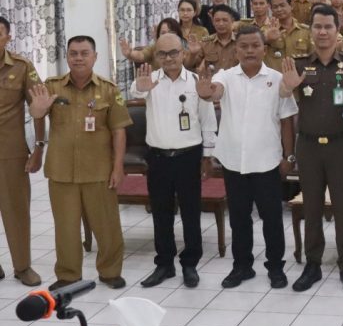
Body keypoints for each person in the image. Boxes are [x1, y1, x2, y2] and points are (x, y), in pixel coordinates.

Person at [196, 25, 298, 289]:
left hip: (267, 161)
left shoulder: (277, 79)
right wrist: (206, 91)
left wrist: (289, 157)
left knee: (272, 218)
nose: (250, 50)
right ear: (236, 49)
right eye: (244, 46)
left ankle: (275, 267)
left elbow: (287, 121)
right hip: (234, 162)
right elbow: (214, 92)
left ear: (264, 49)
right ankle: (242, 266)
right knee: (239, 218)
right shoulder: (226, 76)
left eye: (255, 45)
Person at [29, 36, 131, 290]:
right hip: (62, 170)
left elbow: (119, 130)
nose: (78, 58)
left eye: (84, 53)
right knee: (65, 227)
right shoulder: (52, 86)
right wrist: (38, 111)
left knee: (107, 226)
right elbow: (37, 115)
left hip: (99, 170)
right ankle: (68, 274)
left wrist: (118, 167)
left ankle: (109, 271)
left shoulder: (108, 89)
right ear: (67, 57)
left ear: (94, 57)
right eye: (73, 53)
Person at [286, 5, 343, 293]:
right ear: (311, 31)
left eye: (327, 27)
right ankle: (313, 264)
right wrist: (288, 87)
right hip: (308, 145)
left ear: (337, 30)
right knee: (312, 206)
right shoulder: (297, 65)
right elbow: (283, 98)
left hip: (341, 145)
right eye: (317, 26)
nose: (322, 32)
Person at [131, 34, 217, 289]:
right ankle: (164, 264)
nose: (168, 58)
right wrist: (140, 88)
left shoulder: (195, 82)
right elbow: (135, 91)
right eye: (162, 54)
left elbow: (208, 119)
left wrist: (208, 156)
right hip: (158, 157)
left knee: (191, 213)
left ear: (183, 53)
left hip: (188, 156)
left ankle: (190, 264)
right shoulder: (150, 81)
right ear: (155, 56)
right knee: (161, 213)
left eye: (173, 53)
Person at [0, 17, 43, 286]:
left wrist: (39, 147)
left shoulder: (22, 66)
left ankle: (22, 266)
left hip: (10, 151)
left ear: (8, 36)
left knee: (16, 211)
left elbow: (38, 106)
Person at [265, 0, 312, 72]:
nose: (279, 9)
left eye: (282, 5)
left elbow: (313, 59)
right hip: (275, 82)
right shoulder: (265, 31)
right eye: (275, 7)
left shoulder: (306, 32)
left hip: (300, 81)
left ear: (291, 5)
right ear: (271, 9)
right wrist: (266, 39)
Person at [119, 17, 184, 70]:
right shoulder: (153, 48)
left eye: (171, 32)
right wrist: (130, 54)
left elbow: (188, 62)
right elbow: (140, 55)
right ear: (158, 35)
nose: (166, 36)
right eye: (163, 33)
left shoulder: (183, 48)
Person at [191, 5, 240, 73]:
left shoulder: (241, 41)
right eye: (217, 20)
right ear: (213, 22)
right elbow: (191, 66)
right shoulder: (205, 43)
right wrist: (192, 54)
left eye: (225, 20)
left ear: (232, 21)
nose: (221, 24)